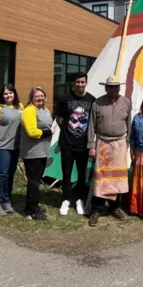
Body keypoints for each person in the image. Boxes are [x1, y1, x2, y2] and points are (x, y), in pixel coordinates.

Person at [87, 75, 131, 227]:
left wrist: (127, 142)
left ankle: (115, 207)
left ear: (120, 87)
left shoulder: (126, 102)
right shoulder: (97, 103)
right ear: (105, 88)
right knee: (102, 178)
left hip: (119, 143)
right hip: (103, 143)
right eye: (111, 86)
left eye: (116, 86)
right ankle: (97, 209)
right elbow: (91, 125)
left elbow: (129, 123)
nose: (114, 89)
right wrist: (91, 146)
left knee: (117, 178)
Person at [55, 72, 95, 216]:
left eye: (82, 82)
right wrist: (68, 131)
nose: (80, 85)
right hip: (67, 144)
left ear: (86, 83)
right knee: (66, 174)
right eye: (77, 82)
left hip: (83, 145)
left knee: (82, 175)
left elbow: (93, 122)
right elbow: (59, 119)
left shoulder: (91, 100)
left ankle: (79, 200)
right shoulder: (64, 98)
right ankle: (66, 199)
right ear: (74, 83)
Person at [0, 83, 23, 216]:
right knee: (1, 175)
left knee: (10, 175)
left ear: (14, 93)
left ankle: (6, 200)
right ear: (2, 95)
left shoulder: (20, 107)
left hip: (15, 147)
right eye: (5, 93)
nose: (8, 95)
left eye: (10, 92)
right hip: (1, 147)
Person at [20, 87, 54, 221]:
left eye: (42, 96)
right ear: (32, 98)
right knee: (33, 182)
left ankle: (32, 206)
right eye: (37, 96)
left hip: (43, 151)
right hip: (32, 152)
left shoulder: (45, 110)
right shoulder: (29, 111)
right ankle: (32, 210)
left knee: (36, 181)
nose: (40, 98)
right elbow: (32, 131)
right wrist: (48, 132)